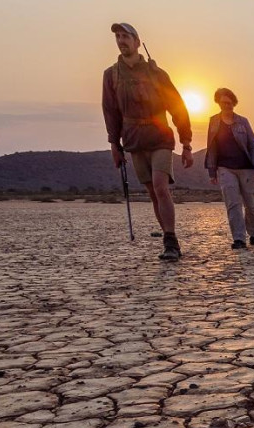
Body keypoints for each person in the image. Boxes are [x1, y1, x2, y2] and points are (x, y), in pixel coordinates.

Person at [102, 22, 194, 261]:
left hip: (160, 136)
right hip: (133, 139)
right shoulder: (111, 75)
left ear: (136, 41)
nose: (121, 40)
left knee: (161, 187)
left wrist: (186, 143)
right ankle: (167, 240)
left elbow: (178, 107)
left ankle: (171, 241)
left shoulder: (156, 73)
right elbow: (110, 111)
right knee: (153, 192)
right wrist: (114, 144)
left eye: (125, 36)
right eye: (118, 37)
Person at [205, 88, 254, 249]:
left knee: (250, 204)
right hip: (225, 168)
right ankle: (239, 238)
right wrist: (212, 171)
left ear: (234, 103)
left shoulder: (242, 121)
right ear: (218, 103)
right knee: (233, 203)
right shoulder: (214, 121)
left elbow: (253, 145)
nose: (227, 105)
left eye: (230, 103)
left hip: (246, 168)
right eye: (223, 103)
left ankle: (253, 232)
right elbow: (211, 147)